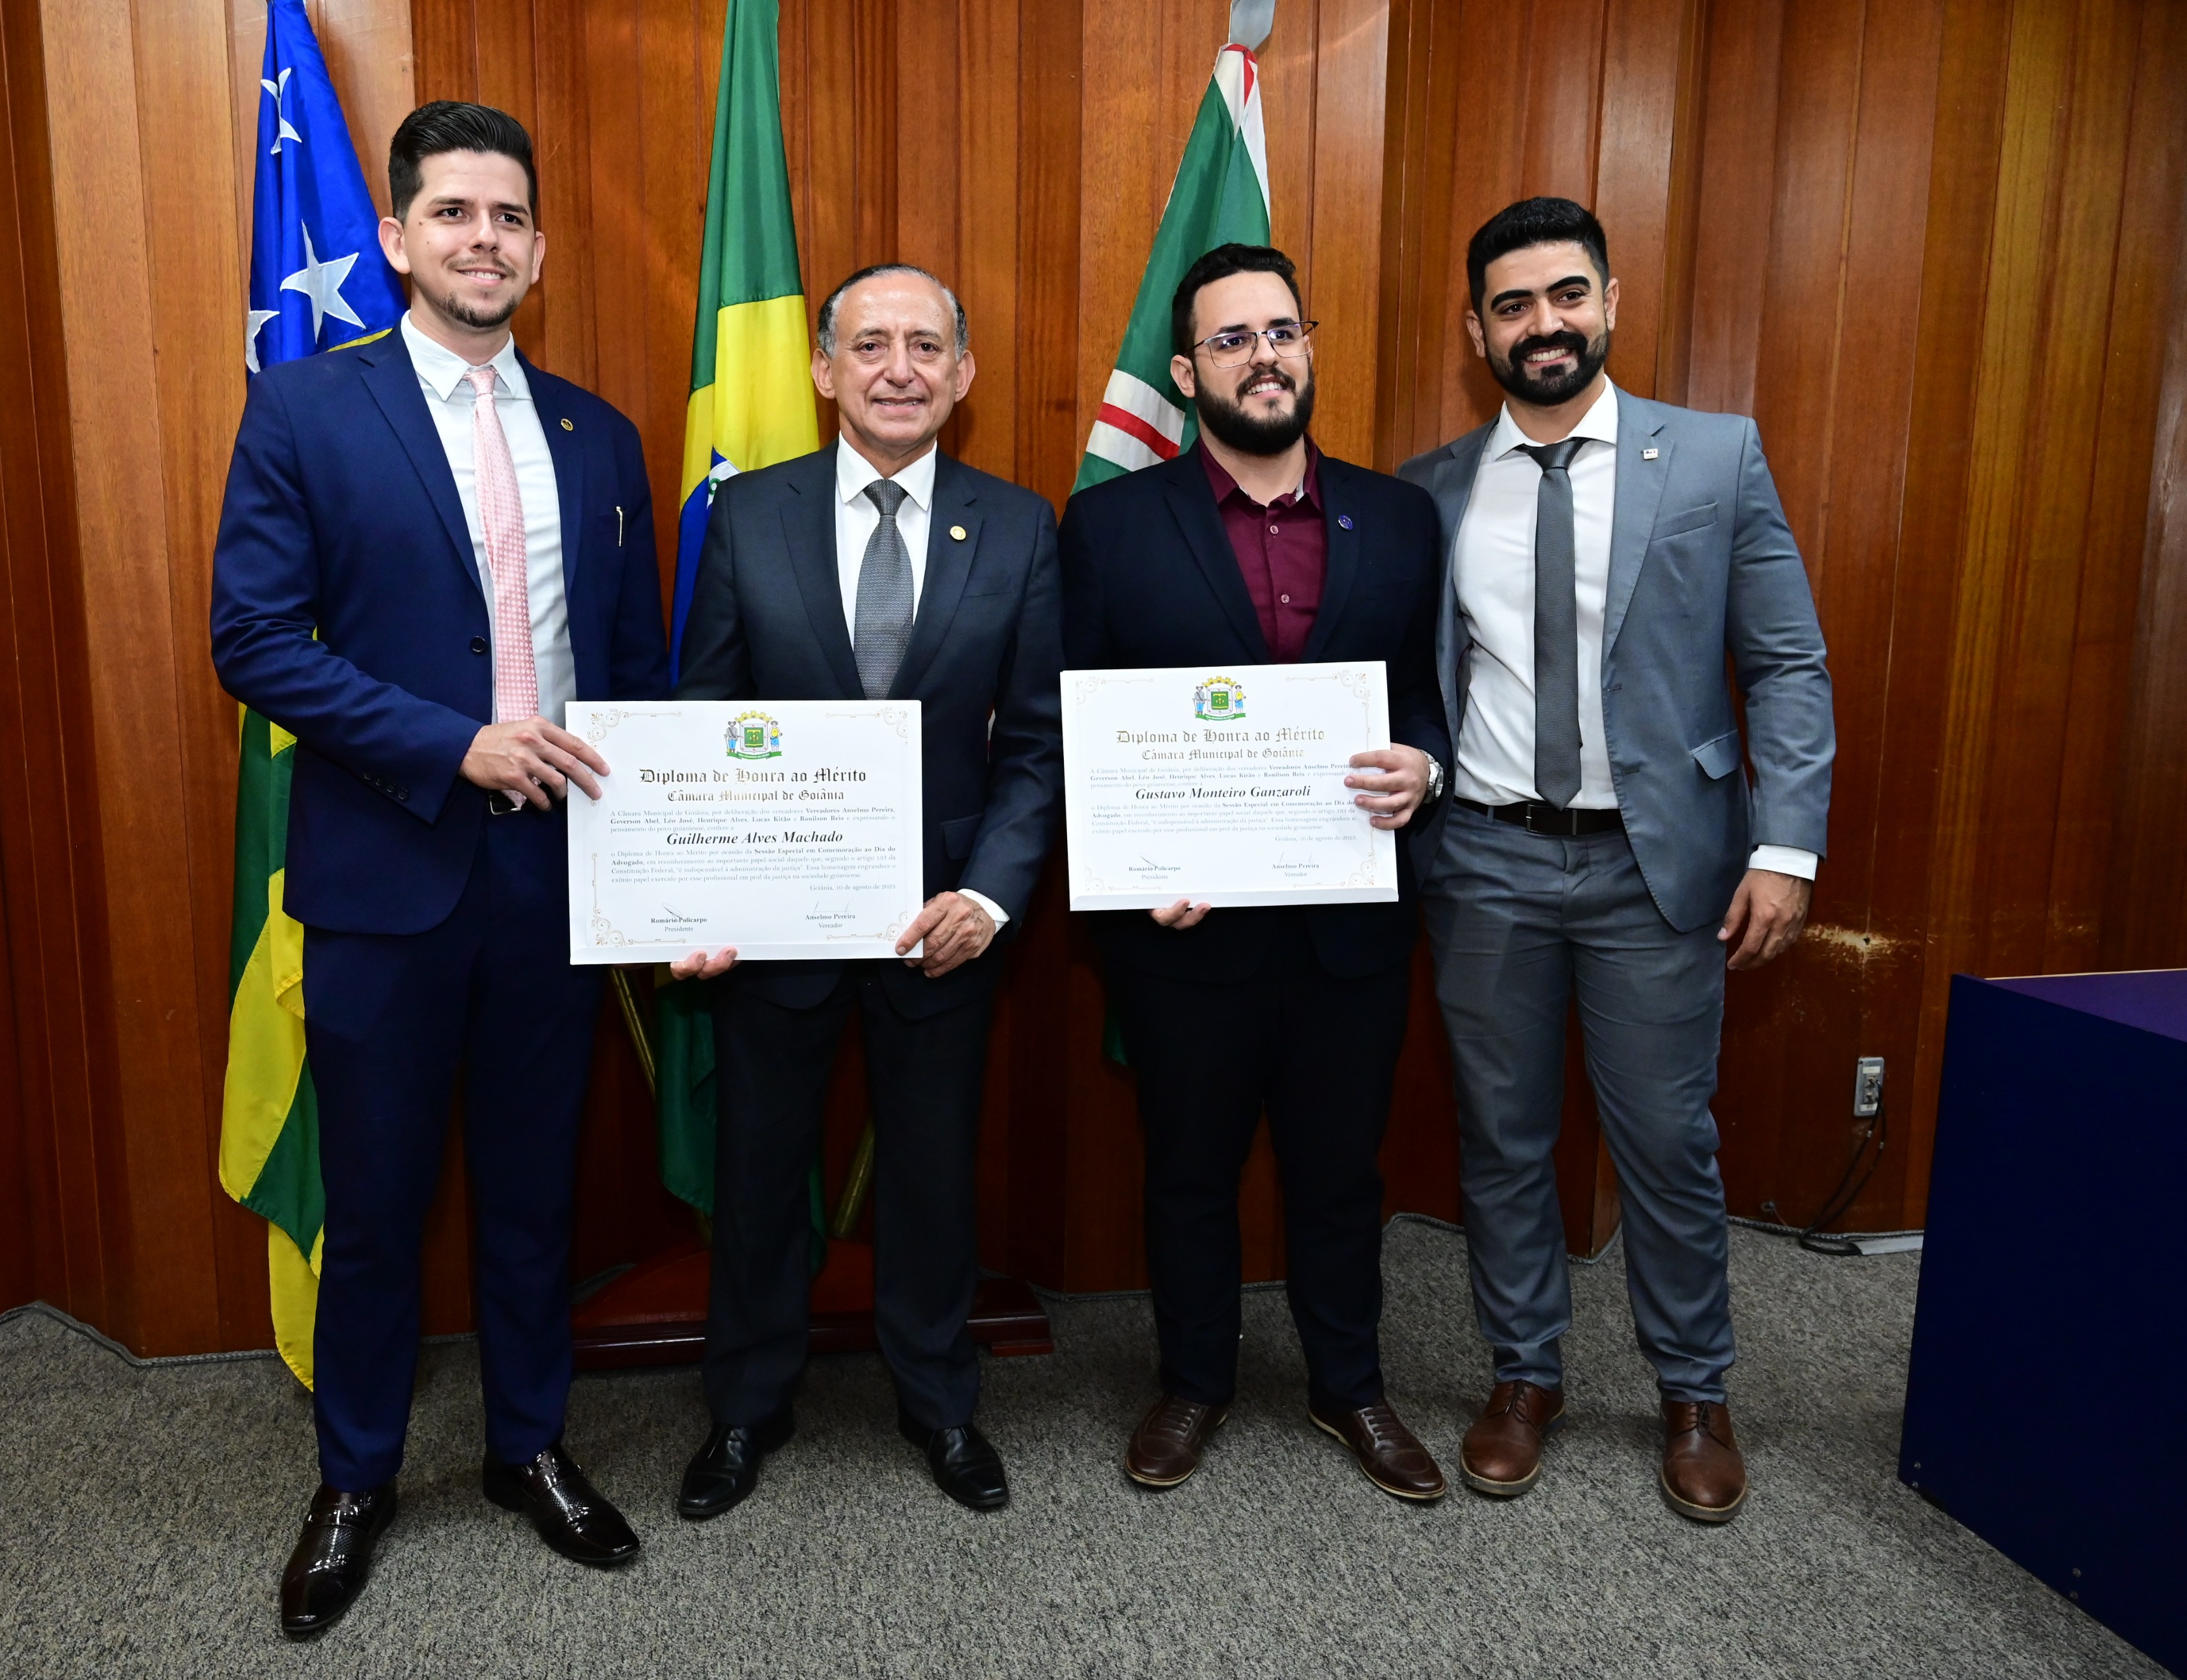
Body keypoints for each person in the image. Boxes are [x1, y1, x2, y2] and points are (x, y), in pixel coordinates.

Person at [210, 100, 667, 1640]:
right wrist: (449, 744)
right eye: (455, 213)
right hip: (382, 881)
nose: (486, 238)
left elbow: (637, 676)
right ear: (399, 237)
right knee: (380, 1205)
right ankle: (355, 1478)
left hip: (556, 884)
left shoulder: (599, 435)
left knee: (535, 1195)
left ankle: (526, 1447)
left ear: (540, 247)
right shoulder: (305, 410)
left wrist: (677, 874)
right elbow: (253, 641)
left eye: (510, 216)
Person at [1399, 197, 1833, 1522]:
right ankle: (1523, 1374)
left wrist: (1786, 846)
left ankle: (1694, 1391)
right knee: (1502, 1137)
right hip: (1485, 861)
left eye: (1566, 295)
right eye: (1513, 306)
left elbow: (1785, 662)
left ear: (1610, 301)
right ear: (1477, 330)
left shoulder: (1711, 457)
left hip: (1660, 871)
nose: (1544, 324)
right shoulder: (1429, 490)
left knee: (1665, 1142)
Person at [666, 263, 1063, 1518]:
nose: (901, 368)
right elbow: (704, 721)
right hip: (776, 920)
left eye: (927, 346)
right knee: (759, 1172)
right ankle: (746, 1406)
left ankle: (940, 1401)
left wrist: (989, 900)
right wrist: (700, 903)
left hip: (941, 926)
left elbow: (1036, 744)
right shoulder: (749, 515)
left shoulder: (1019, 526)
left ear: (964, 373)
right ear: (825, 369)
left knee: (933, 1176)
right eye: (873, 344)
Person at [1058, 244, 1453, 1500]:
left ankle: (1352, 1386)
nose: (1263, 356)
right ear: (1186, 374)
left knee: (1341, 1171)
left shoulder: (1399, 517)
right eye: (1230, 340)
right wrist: (1130, 863)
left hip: (1349, 923)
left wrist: (1426, 766)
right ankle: (1195, 1382)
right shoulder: (1112, 525)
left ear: (1309, 347)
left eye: (1281, 331)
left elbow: (1429, 697)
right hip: (1184, 930)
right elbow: (1076, 724)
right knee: (1188, 1168)